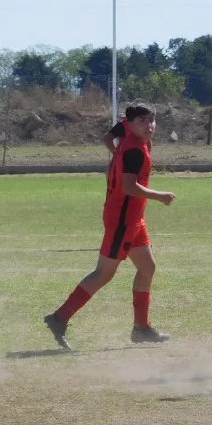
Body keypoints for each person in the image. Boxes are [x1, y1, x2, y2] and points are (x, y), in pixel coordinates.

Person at [44, 102, 174, 350]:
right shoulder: (134, 150)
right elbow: (129, 187)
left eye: (151, 120)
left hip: (133, 217)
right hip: (123, 220)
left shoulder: (125, 132)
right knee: (104, 273)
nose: (149, 126)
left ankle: (141, 329)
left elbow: (108, 140)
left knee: (147, 268)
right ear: (131, 123)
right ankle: (59, 318)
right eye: (142, 122)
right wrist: (160, 196)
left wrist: (115, 158)